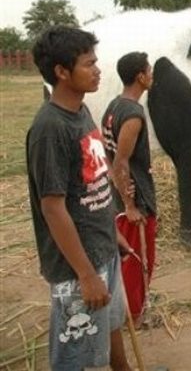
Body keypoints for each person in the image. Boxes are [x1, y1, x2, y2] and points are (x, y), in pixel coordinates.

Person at [26, 26, 132, 370]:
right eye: (89, 64)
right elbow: (53, 209)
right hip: (77, 265)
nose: (98, 69)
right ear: (61, 72)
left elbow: (94, 181)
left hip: (101, 246)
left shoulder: (82, 112)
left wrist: (110, 230)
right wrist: (85, 275)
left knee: (112, 320)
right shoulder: (50, 129)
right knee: (74, 352)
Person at [101, 52, 157, 326]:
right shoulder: (134, 114)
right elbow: (121, 161)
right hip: (134, 201)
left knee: (127, 261)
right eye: (150, 70)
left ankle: (128, 310)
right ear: (140, 76)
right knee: (138, 260)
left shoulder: (113, 106)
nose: (152, 75)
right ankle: (134, 316)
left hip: (118, 198)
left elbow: (108, 155)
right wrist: (130, 205)